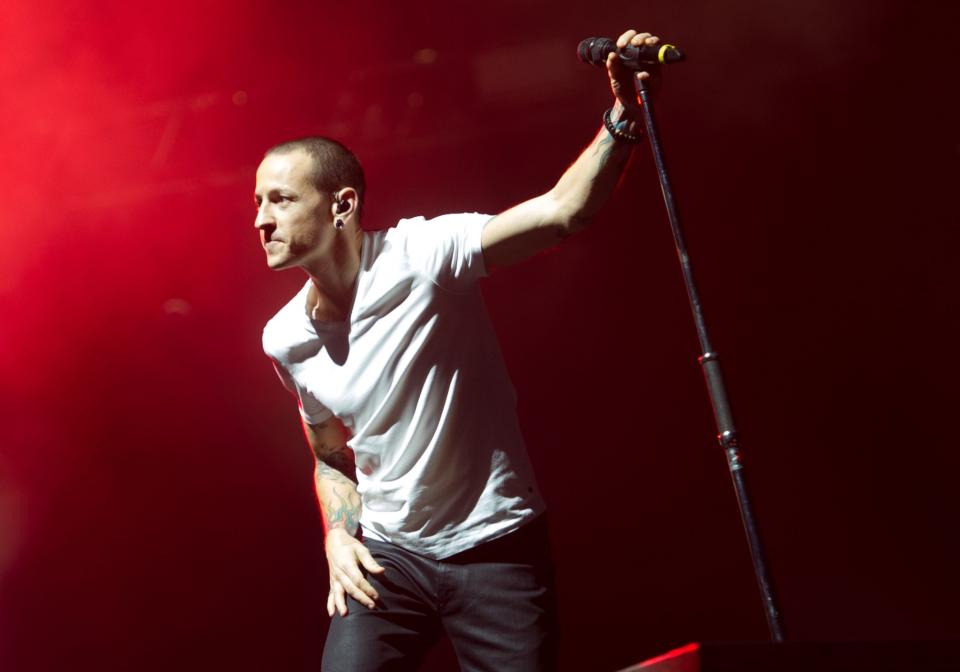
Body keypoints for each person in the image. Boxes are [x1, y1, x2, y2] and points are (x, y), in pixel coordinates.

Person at [256, 28, 660, 672]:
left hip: (496, 547)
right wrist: (337, 534)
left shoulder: (425, 255)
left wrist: (623, 116)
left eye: (279, 199)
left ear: (342, 205)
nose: (261, 220)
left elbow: (562, 212)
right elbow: (331, 454)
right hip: (391, 559)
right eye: (257, 202)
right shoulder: (285, 338)